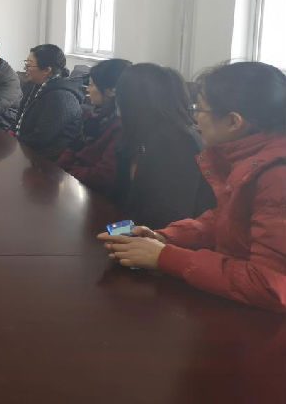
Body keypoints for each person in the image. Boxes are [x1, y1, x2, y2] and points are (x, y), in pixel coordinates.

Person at [98, 62, 286, 312]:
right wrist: (165, 237)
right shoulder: (246, 160)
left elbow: (269, 285)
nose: (195, 118)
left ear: (233, 121)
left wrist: (165, 257)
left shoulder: (276, 175)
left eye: (200, 109)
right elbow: (226, 220)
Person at [113, 63, 215, 228]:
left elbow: (165, 216)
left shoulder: (176, 141)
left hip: (161, 237)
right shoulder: (146, 135)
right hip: (139, 231)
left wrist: (114, 231)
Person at [57, 58, 131, 194]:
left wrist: (68, 172)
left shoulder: (121, 126)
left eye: (92, 85)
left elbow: (103, 176)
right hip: (75, 185)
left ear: (111, 91)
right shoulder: (94, 115)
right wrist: (59, 169)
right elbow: (74, 147)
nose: (88, 89)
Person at [12, 44, 84, 159]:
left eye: (29, 65)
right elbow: (19, 119)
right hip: (26, 149)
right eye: (26, 63)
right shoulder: (34, 85)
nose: (25, 69)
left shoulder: (61, 97)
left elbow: (41, 138)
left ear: (47, 70)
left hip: (49, 160)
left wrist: (13, 143)